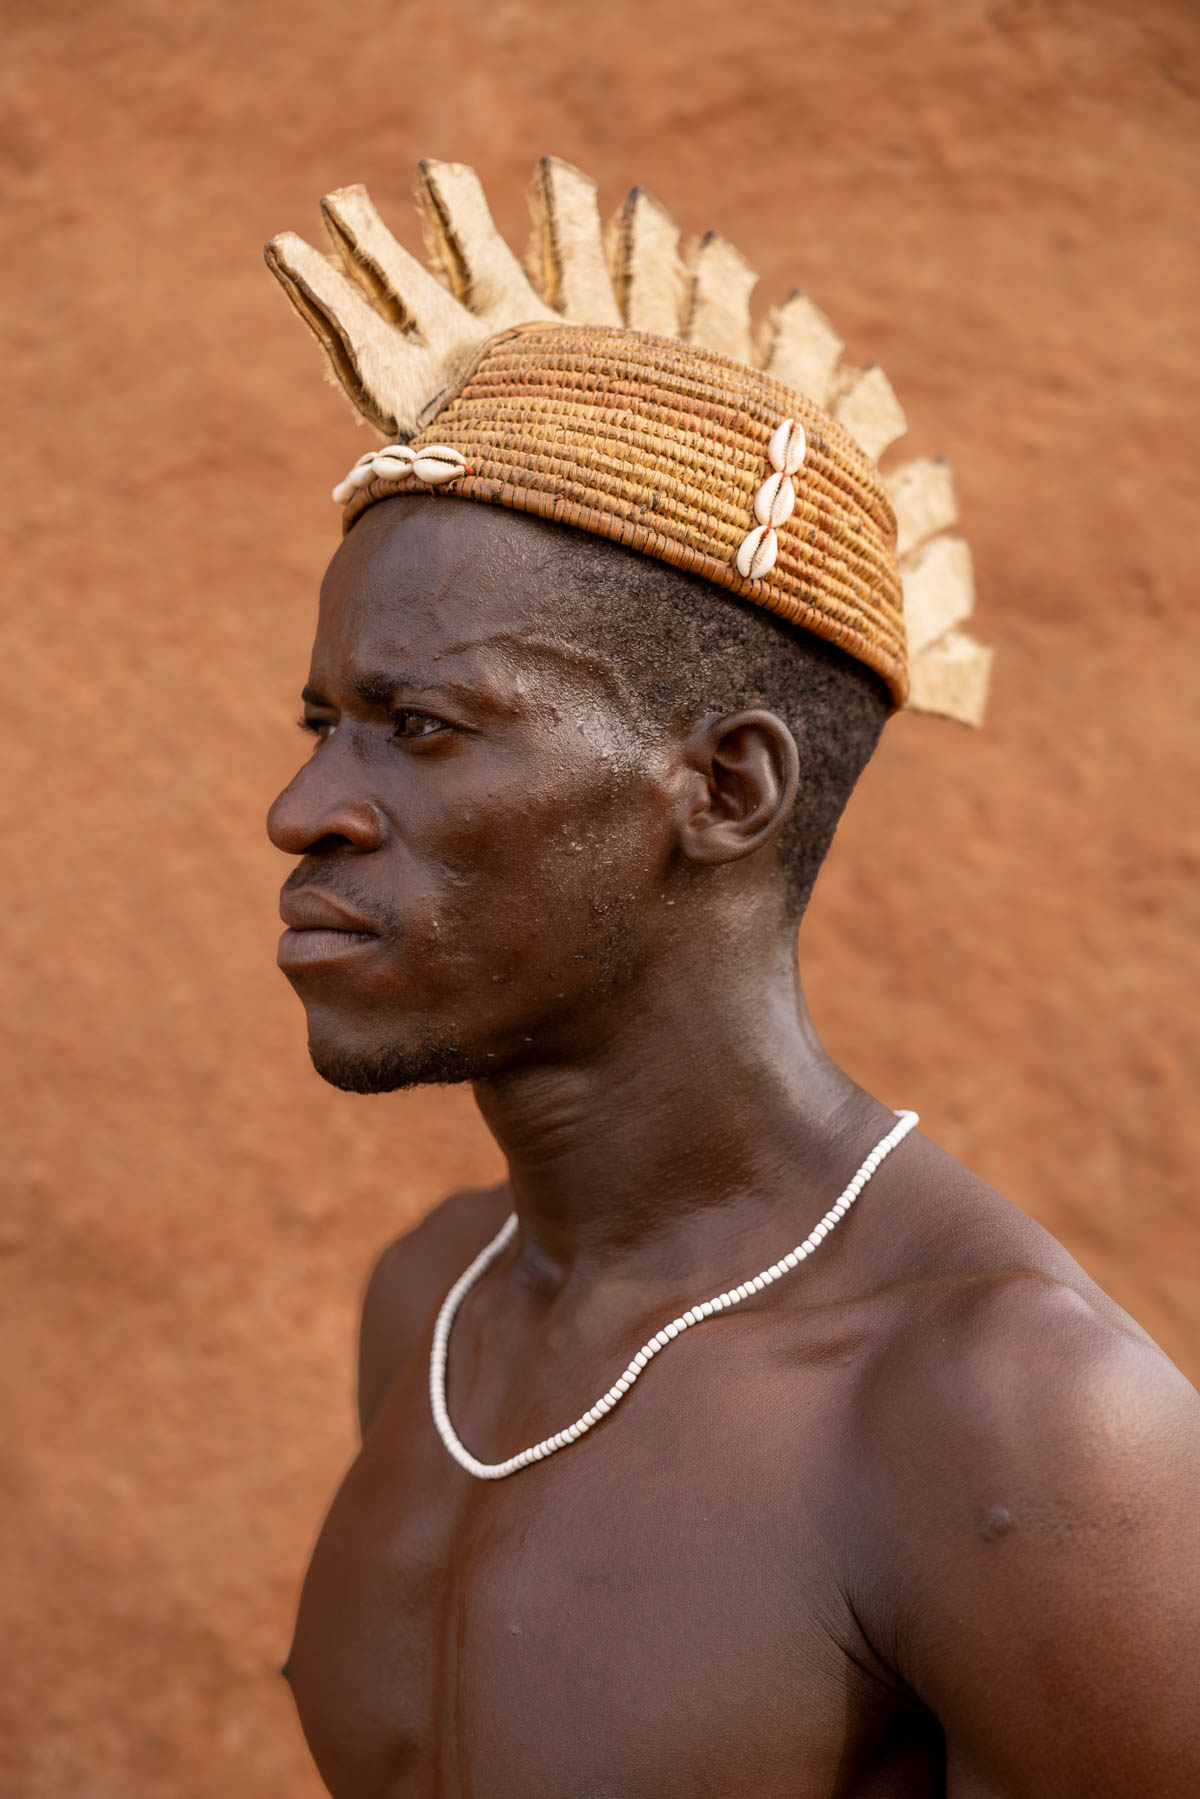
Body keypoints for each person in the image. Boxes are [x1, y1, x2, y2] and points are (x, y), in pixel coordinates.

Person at [263, 158, 1200, 1796]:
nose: (306, 810)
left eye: (421, 728)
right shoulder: (437, 1304)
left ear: (725, 791)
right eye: (322, 724)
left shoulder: (1015, 1425)